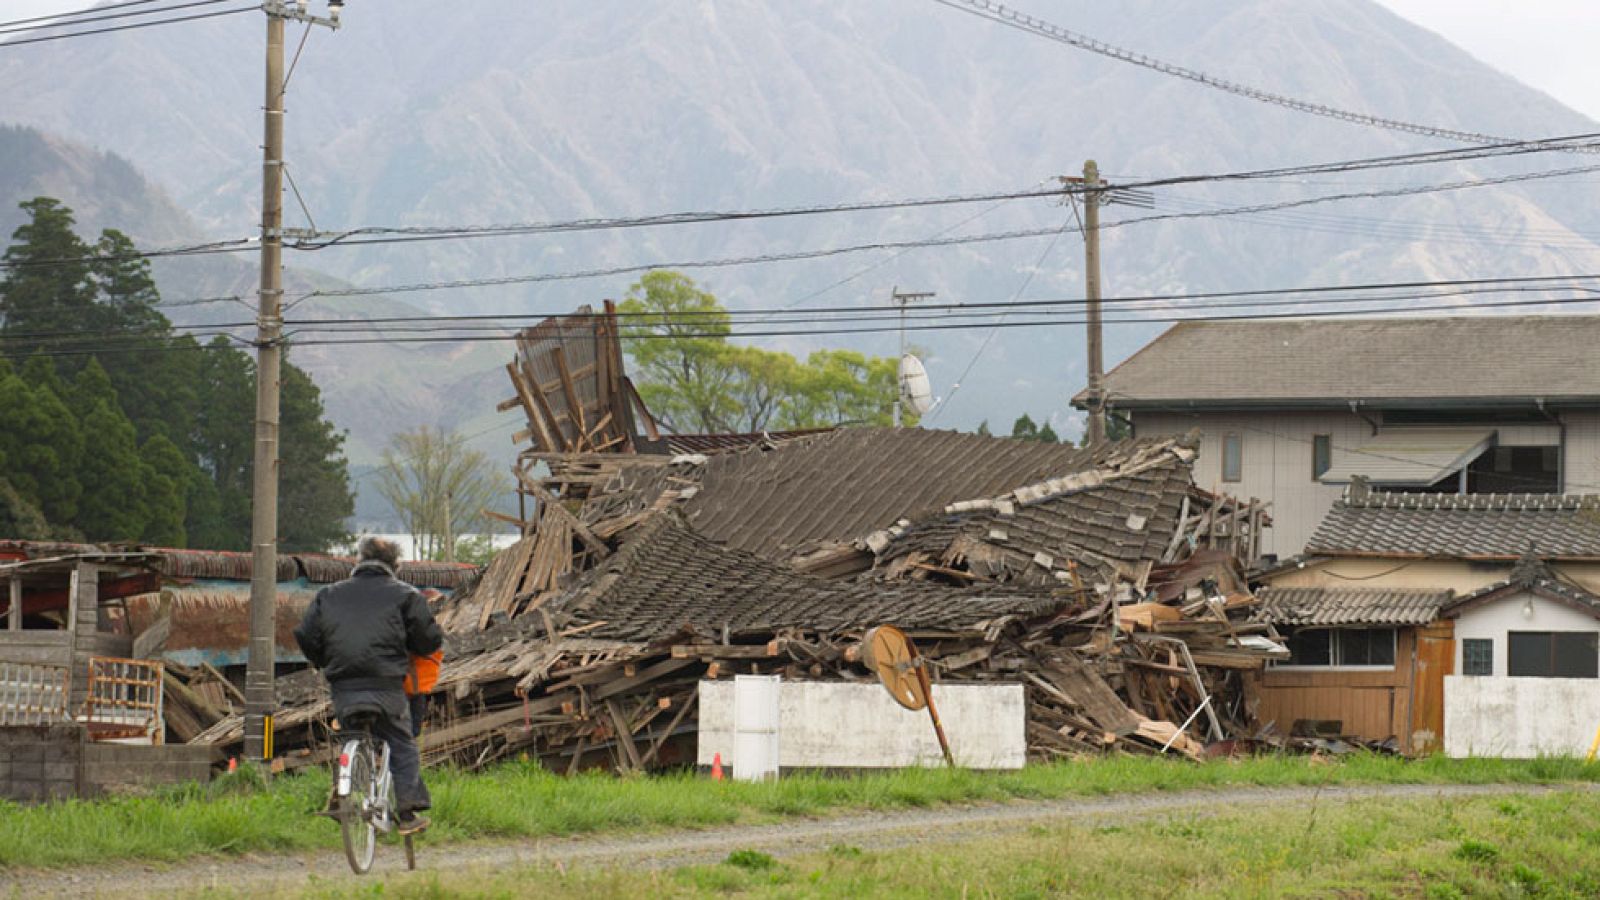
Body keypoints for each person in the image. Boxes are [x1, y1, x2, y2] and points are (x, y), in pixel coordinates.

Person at [294, 536, 442, 834]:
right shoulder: (406, 595)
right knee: (401, 742)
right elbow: (429, 641)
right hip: (386, 685)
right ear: (395, 565)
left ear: (358, 560)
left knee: (351, 734)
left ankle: (342, 789)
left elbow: (306, 636)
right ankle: (408, 813)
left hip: (344, 686)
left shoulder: (328, 595)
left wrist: (326, 661)